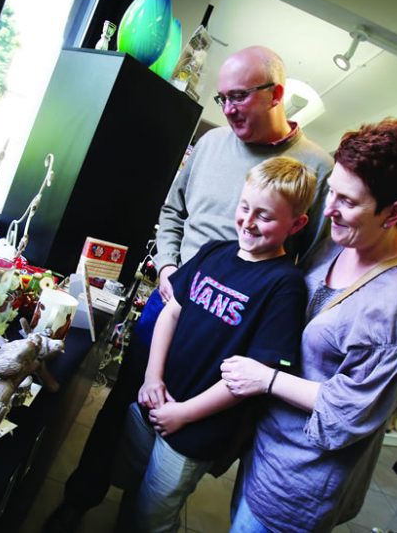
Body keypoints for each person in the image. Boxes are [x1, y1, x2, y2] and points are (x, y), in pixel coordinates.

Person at [45, 46, 332, 531]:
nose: (229, 109)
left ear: (276, 94)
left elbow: (310, 262)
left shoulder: (315, 169)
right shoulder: (211, 144)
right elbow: (172, 211)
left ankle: (143, 509)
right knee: (126, 404)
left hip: (235, 321)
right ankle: (81, 498)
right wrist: (168, 267)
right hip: (176, 300)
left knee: (190, 427)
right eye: (223, 98)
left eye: (239, 96)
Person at [220, 118, 397, 532]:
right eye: (331, 190)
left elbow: (347, 414)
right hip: (263, 450)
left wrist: (266, 380)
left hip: (298, 482)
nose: (330, 207)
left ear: (393, 212)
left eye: (348, 201)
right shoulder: (338, 240)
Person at [124, 157, 314, 532]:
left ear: (296, 224)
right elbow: (172, 312)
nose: (249, 221)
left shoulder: (284, 285)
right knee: (132, 490)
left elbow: (249, 378)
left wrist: (185, 414)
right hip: (154, 398)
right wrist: (151, 377)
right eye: (245, 207)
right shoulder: (214, 251)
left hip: (196, 427)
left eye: (266, 216)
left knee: (155, 516)